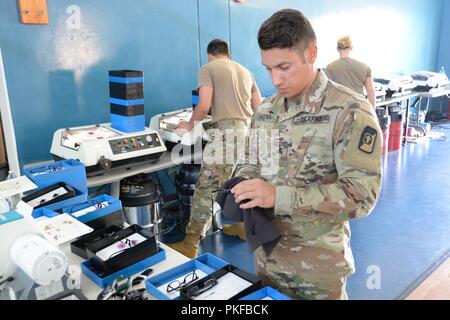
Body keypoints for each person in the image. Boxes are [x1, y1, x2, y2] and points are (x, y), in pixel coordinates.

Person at [230, 9, 382, 299]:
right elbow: (249, 162)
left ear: (311, 53)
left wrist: (279, 196)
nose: (275, 79)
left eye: (284, 67)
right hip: (268, 261)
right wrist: (243, 184)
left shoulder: (350, 111)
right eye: (268, 69)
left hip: (317, 272)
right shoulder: (265, 111)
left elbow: (362, 197)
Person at [168, 39, 262, 258]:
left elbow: (203, 104)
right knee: (242, 183)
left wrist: (189, 124)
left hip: (226, 135)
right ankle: (242, 226)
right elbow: (259, 106)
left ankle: (190, 242)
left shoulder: (207, 68)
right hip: (248, 133)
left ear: (210, 55)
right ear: (227, 53)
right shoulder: (246, 71)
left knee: (206, 188)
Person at [325, 36, 376, 107]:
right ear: (351, 48)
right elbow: (371, 91)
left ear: (337, 49)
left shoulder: (330, 67)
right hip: (360, 108)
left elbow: (328, 92)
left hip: (340, 110)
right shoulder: (364, 67)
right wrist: (372, 111)